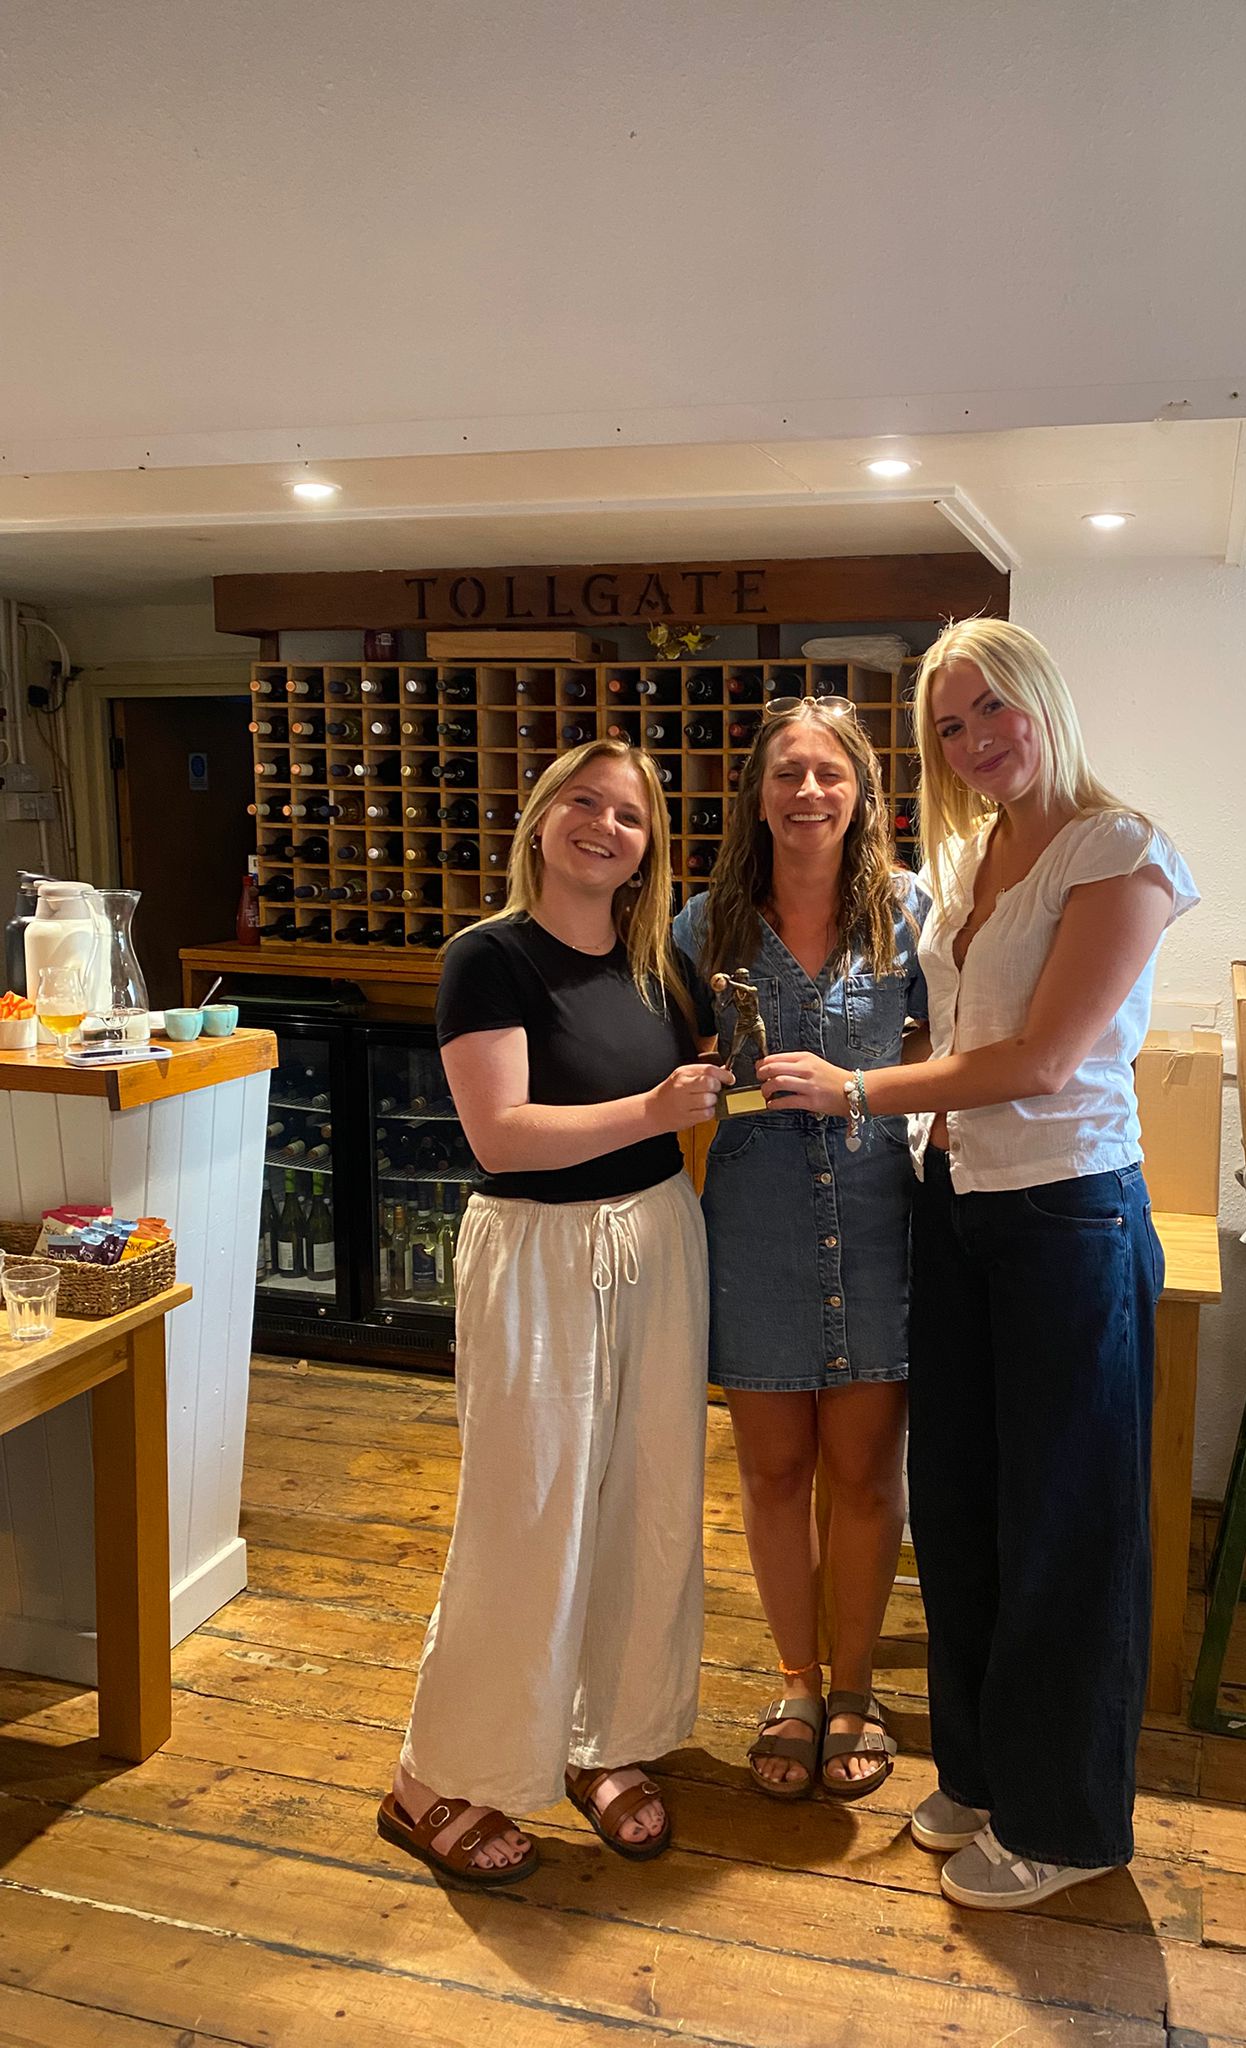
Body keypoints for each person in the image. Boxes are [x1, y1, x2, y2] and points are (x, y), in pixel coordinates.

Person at [759, 619, 1198, 1909]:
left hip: (1068, 1213)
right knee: (959, 1504)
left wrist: (856, 1089)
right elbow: (945, 1021)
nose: (974, 739)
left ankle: (1068, 1821)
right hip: (956, 1203)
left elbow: (1043, 1059)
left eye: (992, 707)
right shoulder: (966, 859)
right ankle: (985, 1769)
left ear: (1042, 700)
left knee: (1066, 1521)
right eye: (949, 725)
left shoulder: (1121, 851)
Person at [378, 739, 723, 1886]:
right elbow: (502, 1134)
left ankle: (601, 1736)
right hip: (537, 1251)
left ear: (648, 848)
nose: (604, 826)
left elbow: (705, 1081)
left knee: (646, 1498)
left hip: (657, 1238)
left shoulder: (660, 966)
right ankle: (431, 1774)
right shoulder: (488, 956)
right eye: (584, 801)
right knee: (525, 1513)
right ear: (539, 818)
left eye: (629, 814)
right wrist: (656, 1107)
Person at [673, 696, 927, 1802]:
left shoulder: (911, 914)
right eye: (788, 773)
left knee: (865, 1474)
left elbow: (950, 1042)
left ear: (863, 790)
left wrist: (870, 1087)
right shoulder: (701, 926)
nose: (809, 792)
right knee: (773, 1471)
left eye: (830, 772)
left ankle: (856, 1686)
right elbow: (666, 1049)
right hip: (755, 1222)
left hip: (875, 1220)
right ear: (758, 794)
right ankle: (795, 1684)